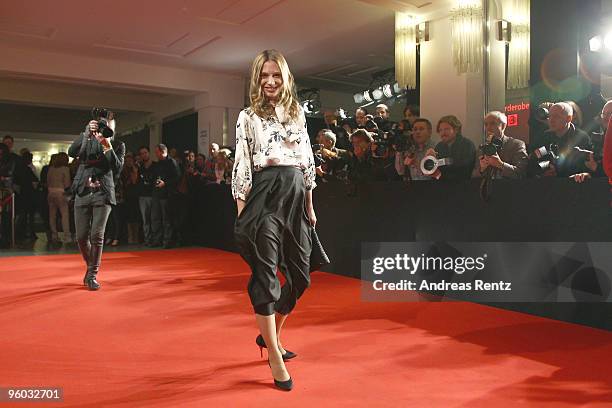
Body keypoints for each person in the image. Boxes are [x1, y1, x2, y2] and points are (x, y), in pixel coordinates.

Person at [232, 49, 317, 391]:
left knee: (301, 276)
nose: (270, 81)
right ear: (257, 78)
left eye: (276, 76)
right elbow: (241, 161)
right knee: (267, 275)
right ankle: (275, 360)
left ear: (285, 78)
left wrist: (310, 204)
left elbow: (307, 158)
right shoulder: (247, 115)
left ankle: (270, 336)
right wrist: (243, 213)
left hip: (296, 194)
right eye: (264, 75)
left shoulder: (298, 114)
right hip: (263, 195)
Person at [68, 111, 125, 290]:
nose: (105, 127)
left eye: (109, 125)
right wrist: (87, 134)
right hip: (82, 191)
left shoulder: (117, 144)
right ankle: (90, 265)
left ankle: (92, 274)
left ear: (113, 128)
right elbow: (72, 152)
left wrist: (106, 145)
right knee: (81, 237)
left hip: (103, 193)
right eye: (102, 124)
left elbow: (117, 168)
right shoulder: (86, 136)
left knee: (97, 236)